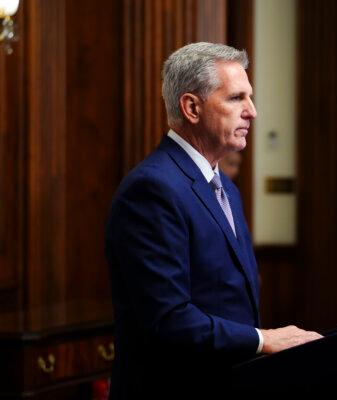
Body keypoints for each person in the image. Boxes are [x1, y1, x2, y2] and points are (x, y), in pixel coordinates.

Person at [105, 42, 321, 398]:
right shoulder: (152, 190)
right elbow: (168, 320)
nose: (252, 111)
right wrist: (262, 339)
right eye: (236, 98)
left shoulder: (224, 187)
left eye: (249, 97)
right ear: (191, 107)